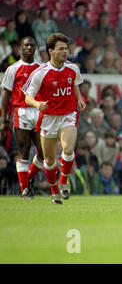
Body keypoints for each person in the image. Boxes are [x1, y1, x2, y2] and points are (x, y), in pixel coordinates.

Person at [23, 33, 86, 204]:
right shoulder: (40, 73)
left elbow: (75, 85)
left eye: (66, 49)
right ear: (51, 51)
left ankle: (64, 180)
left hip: (68, 115)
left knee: (67, 149)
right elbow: (27, 97)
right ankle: (54, 191)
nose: (65, 52)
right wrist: (37, 104)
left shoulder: (73, 68)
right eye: (61, 49)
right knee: (49, 159)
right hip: (49, 118)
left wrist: (79, 98)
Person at [0, 37, 44, 199]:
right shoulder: (13, 69)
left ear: (36, 48)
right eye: (26, 45)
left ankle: (26, 180)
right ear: (20, 48)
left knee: (44, 153)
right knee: (23, 151)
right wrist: (3, 119)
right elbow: (6, 95)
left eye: (32, 45)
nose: (29, 48)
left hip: (38, 111)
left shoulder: (41, 68)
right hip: (21, 112)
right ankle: (25, 190)